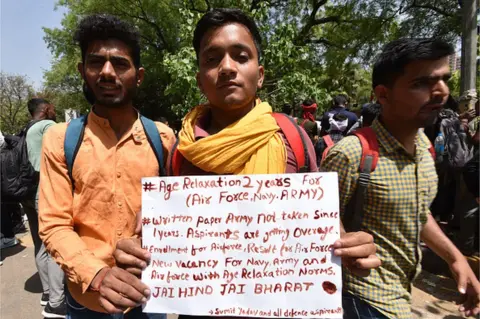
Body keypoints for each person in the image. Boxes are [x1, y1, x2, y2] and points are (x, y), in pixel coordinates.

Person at [108, 8, 381, 317]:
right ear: (200, 79)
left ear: (260, 75)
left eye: (241, 56)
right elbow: (161, 241)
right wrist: (134, 251)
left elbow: (323, 224)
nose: (227, 67)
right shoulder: (182, 150)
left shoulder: (291, 137)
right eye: (212, 59)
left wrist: (351, 250)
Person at [322, 38, 480, 318]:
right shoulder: (351, 154)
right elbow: (319, 223)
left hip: (401, 293)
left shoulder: (424, 149)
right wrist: (346, 243)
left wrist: (455, 258)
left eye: (444, 79)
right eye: (422, 83)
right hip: (362, 300)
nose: (441, 91)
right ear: (383, 95)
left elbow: (417, 213)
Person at [38, 14, 175, 319]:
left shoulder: (163, 139)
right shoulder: (60, 140)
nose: (107, 72)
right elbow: (54, 224)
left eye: (120, 64)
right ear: (82, 71)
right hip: (87, 299)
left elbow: (182, 212)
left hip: (149, 297)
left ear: (138, 76)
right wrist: (97, 274)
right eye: (96, 62)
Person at [20, 98, 66, 318]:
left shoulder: (28, 129)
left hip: (29, 195)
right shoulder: (48, 127)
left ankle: (47, 293)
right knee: (55, 245)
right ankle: (56, 303)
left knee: (41, 245)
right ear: (47, 109)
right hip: (46, 194)